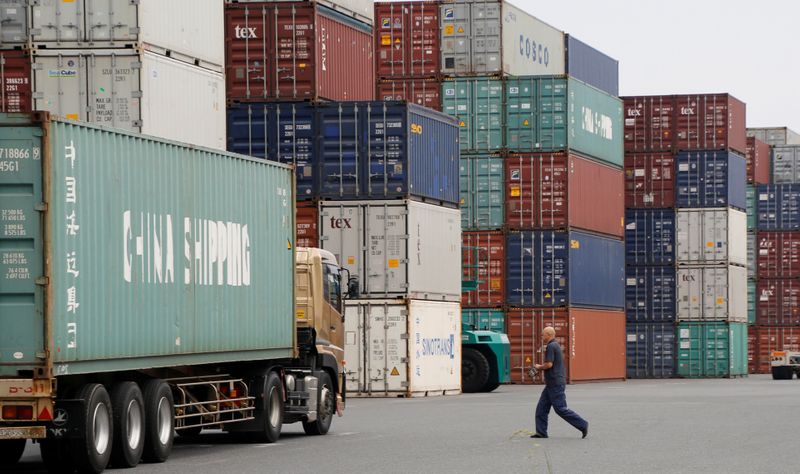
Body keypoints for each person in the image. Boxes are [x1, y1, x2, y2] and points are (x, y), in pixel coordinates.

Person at [531, 326, 589, 439]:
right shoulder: (555, 345)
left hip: (555, 383)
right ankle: (541, 432)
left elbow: (549, 364)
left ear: (549, 335)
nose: (542, 337)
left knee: (560, 409)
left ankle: (583, 424)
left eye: (543, 335)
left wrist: (538, 367)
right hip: (551, 384)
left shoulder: (551, 346)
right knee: (541, 409)